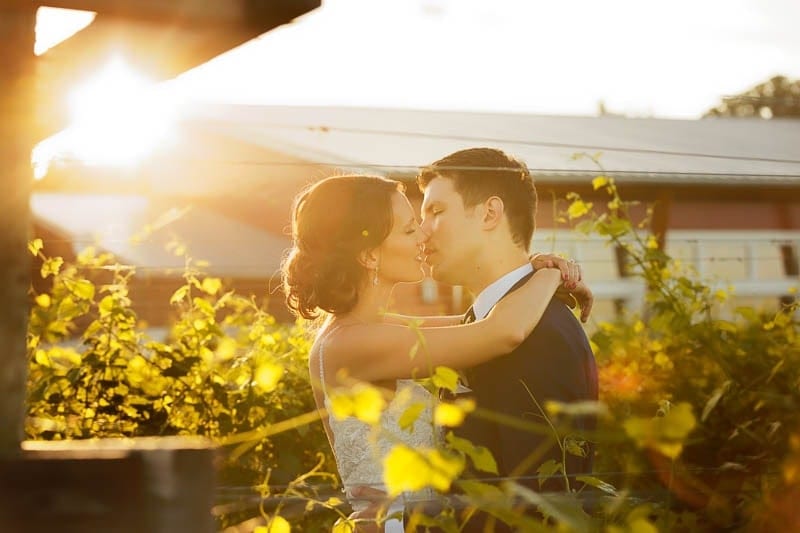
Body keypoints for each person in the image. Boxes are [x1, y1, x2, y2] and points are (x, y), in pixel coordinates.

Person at [281, 174, 592, 532]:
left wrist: (533, 269)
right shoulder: (349, 344)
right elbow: (501, 332)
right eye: (410, 230)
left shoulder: (372, 329)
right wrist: (552, 275)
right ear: (369, 255)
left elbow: (472, 322)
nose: (423, 237)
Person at [416, 147, 600, 528]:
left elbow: (542, 504)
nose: (421, 233)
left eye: (436, 212)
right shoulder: (478, 323)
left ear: (489, 213)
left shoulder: (545, 334)